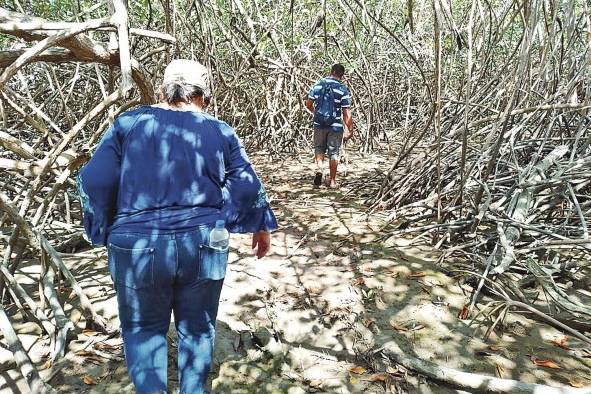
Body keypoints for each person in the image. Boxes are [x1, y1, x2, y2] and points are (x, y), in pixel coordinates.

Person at [77, 59, 277, 394]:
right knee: (198, 329)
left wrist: (104, 227)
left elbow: (94, 179)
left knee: (142, 329)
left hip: (135, 244)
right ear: (203, 95)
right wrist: (259, 225)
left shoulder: (128, 123)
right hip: (203, 241)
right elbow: (245, 185)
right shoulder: (219, 130)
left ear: (164, 89)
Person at [304, 63, 353, 188]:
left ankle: (320, 168)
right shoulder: (342, 89)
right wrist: (350, 129)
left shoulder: (318, 84)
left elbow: (308, 104)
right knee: (334, 153)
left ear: (331, 71)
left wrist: (316, 114)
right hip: (335, 126)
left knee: (319, 148)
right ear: (342, 75)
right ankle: (332, 181)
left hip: (319, 124)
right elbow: (346, 112)